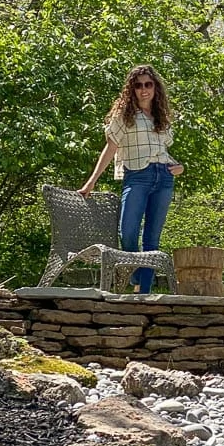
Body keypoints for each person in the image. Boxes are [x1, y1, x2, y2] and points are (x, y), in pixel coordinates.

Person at [78, 65, 184, 293]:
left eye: (148, 84)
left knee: (152, 241)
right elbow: (109, 149)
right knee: (127, 234)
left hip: (164, 178)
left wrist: (178, 167)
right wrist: (91, 181)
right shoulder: (124, 116)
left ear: (155, 88)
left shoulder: (161, 118)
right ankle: (136, 277)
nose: (144, 89)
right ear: (132, 89)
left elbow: (161, 151)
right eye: (138, 85)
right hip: (137, 177)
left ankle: (143, 293)